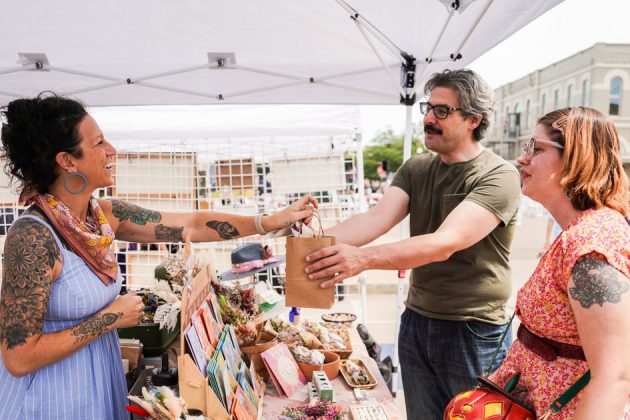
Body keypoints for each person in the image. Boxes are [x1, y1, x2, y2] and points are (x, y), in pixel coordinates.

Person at [0, 94, 317, 419]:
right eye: (98, 143)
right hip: (50, 400)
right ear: (68, 161)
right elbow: (19, 357)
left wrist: (267, 221)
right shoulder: (33, 238)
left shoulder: (105, 215)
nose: (112, 150)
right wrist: (110, 318)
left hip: (97, 388)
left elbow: (191, 225)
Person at [304, 69, 521, 418]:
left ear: (473, 120)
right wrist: (304, 241)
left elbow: (444, 243)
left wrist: (361, 259)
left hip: (475, 330)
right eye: (428, 107)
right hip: (418, 321)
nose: (428, 119)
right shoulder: (416, 168)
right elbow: (374, 220)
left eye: (442, 111)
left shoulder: (498, 176)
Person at [488, 107, 630, 418]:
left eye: (536, 149)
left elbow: (615, 376)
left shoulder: (591, 246)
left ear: (577, 157)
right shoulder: (577, 231)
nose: (522, 159)